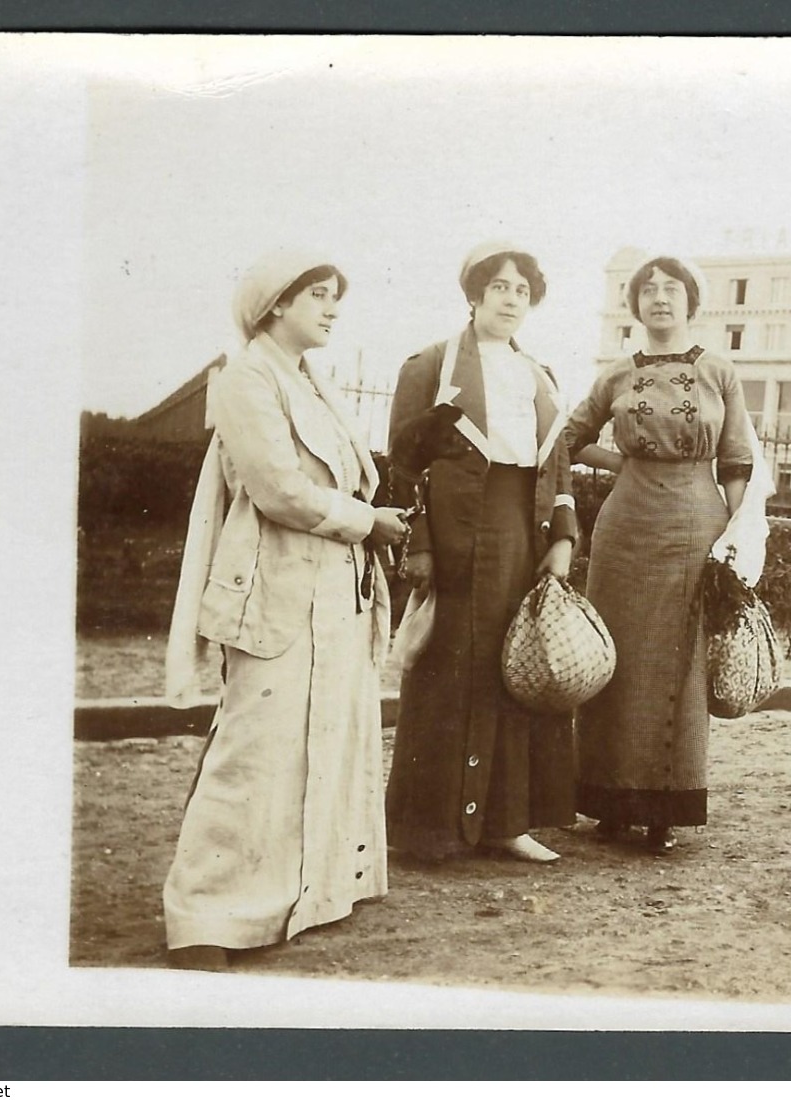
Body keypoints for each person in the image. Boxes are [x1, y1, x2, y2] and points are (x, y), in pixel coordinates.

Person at [160, 249, 408, 971]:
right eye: (318, 296)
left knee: (323, 739)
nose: (332, 309)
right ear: (274, 306)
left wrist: (368, 519)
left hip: (332, 591)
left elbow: (337, 482)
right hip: (273, 586)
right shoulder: (245, 380)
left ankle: (310, 893)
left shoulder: (314, 385)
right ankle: (205, 917)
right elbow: (278, 489)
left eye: (336, 297)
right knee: (255, 748)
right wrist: (368, 522)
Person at [382, 241, 579, 864]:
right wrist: (419, 545)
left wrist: (564, 542)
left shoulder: (540, 376)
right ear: (474, 294)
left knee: (519, 671)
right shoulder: (433, 367)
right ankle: (428, 829)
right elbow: (402, 468)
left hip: (524, 532)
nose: (511, 299)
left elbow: (560, 467)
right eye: (499, 287)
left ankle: (505, 822)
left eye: (522, 290)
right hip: (459, 534)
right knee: (450, 673)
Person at [564, 254, 766, 853]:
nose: (658, 298)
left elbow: (735, 459)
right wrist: (621, 461)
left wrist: (734, 539)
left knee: (675, 664)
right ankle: (607, 804)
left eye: (670, 289)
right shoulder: (616, 374)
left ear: (690, 301)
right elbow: (569, 439)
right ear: (634, 305)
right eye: (647, 290)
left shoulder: (720, 372)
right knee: (617, 661)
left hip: (692, 525)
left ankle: (664, 810)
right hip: (625, 529)